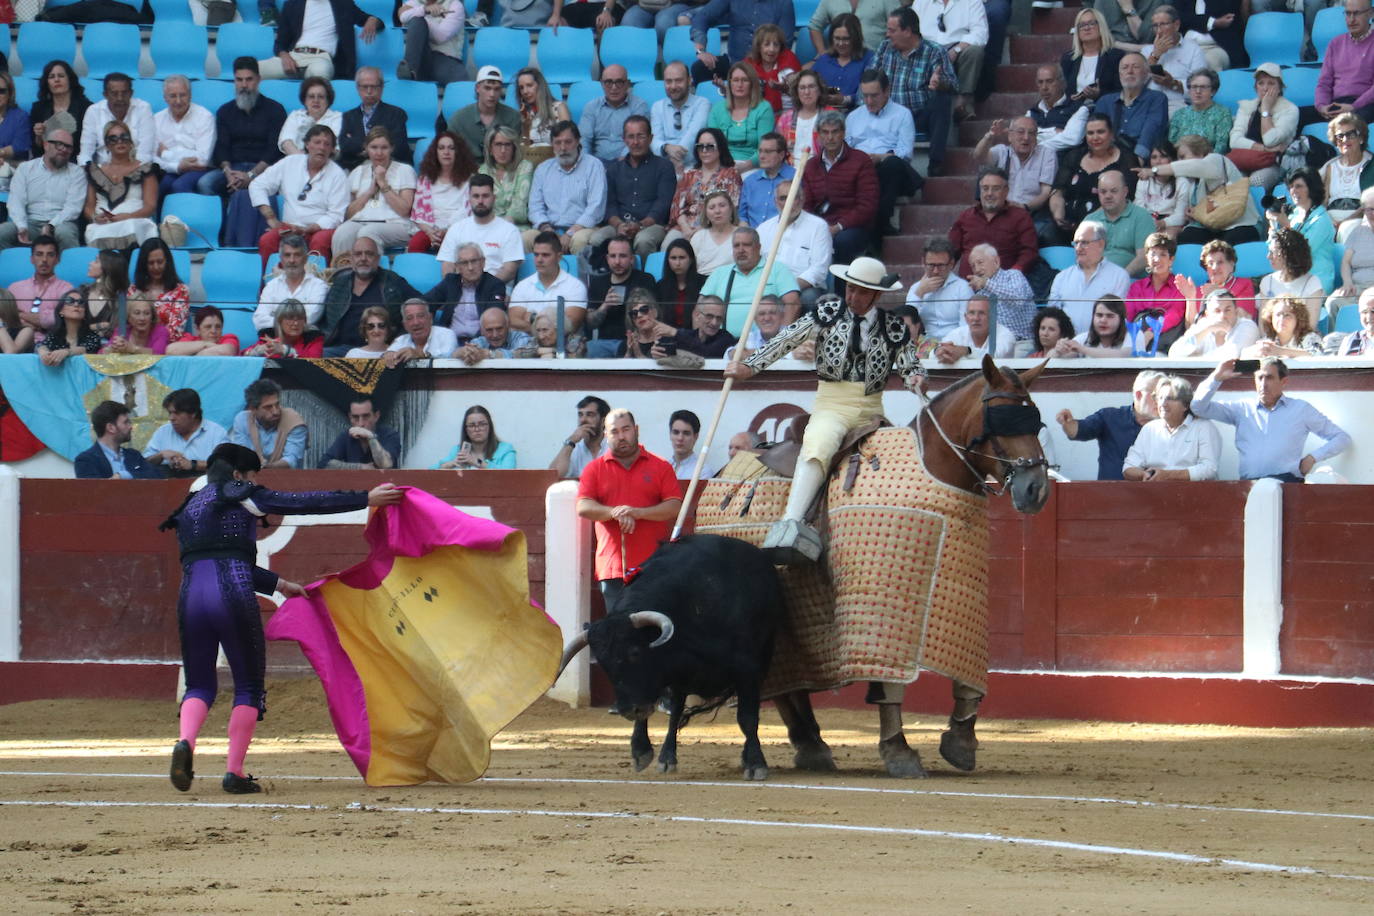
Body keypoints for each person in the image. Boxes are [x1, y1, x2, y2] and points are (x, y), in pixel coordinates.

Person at [162, 442, 402, 795]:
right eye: (253, 476)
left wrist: (279, 584)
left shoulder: (189, 507)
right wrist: (365, 498)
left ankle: (186, 742)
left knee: (200, 683)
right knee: (247, 686)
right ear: (240, 474)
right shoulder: (242, 493)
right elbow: (304, 503)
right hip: (232, 595)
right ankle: (235, 772)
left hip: (191, 597)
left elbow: (213, 558)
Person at [725, 256, 924, 563]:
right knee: (820, 442)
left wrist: (916, 378)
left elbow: (910, 363)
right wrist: (750, 367)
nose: (853, 296)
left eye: (861, 292)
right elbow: (786, 340)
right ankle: (791, 523)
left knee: (900, 456)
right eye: (850, 288)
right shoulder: (826, 313)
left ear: (877, 295)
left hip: (873, 411)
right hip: (833, 405)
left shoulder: (894, 326)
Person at [576, 407, 682, 609]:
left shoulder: (661, 466)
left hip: (655, 566)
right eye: (614, 432)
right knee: (619, 632)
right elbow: (583, 506)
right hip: (613, 567)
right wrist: (614, 512)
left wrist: (638, 513)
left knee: (654, 630)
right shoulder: (594, 468)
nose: (621, 436)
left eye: (626, 430)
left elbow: (674, 506)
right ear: (606, 435)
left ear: (636, 430)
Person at [1193, 357, 1352, 481]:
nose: (1263, 384)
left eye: (1269, 378)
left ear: (1283, 382)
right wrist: (1216, 378)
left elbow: (1342, 438)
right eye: (1259, 378)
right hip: (1249, 485)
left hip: (1287, 483)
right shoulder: (1241, 409)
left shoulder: (1300, 409)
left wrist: (1313, 457)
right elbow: (1198, 406)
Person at [202, 59, 289, 247]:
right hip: (233, 169)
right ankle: (220, 232)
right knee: (205, 183)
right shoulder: (225, 111)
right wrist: (228, 173)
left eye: (249, 80)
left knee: (250, 190)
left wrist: (252, 175)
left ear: (258, 80)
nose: (244, 85)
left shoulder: (275, 110)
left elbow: (274, 150)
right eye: (239, 80)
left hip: (264, 169)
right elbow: (222, 147)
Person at [873, 7, 957, 176]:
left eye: (892, 30)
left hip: (919, 115)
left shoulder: (934, 51)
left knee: (942, 100)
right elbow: (870, 78)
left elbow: (953, 84)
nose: (887, 34)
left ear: (908, 31)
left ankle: (935, 164)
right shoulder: (885, 48)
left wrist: (940, 83)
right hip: (890, 114)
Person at [251, 124, 349, 264]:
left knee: (320, 241)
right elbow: (257, 185)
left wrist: (308, 229)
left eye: (327, 144)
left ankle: (316, 283)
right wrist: (270, 217)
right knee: (267, 240)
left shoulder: (338, 175)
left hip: (319, 230)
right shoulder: (290, 162)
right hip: (288, 227)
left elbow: (336, 215)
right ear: (307, 144)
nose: (321, 147)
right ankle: (266, 285)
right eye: (317, 142)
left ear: (332, 149)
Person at [1144, 133, 1261, 246]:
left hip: (1241, 225)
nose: (1180, 162)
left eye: (1183, 157)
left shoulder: (1216, 160)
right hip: (1214, 229)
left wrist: (1155, 170)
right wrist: (1194, 213)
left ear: (1200, 154)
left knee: (1231, 243)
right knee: (1187, 238)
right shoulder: (1192, 183)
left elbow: (1196, 166)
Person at [846, 69, 921, 237]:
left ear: (887, 91)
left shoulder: (902, 114)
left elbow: (905, 153)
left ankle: (881, 220)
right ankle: (876, 225)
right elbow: (846, 149)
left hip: (889, 168)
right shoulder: (853, 117)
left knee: (892, 164)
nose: (869, 101)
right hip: (859, 168)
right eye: (865, 96)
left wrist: (880, 157)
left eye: (874, 95)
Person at [588, 116, 676, 258]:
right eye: (631, 137)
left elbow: (663, 204)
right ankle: (604, 280)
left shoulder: (664, 167)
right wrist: (618, 225)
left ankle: (644, 279)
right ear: (624, 139)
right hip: (619, 224)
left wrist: (641, 225)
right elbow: (609, 204)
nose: (635, 142)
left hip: (652, 225)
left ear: (650, 138)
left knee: (643, 240)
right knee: (597, 239)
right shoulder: (614, 169)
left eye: (640, 136)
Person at [802, 110, 879, 266]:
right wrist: (817, 228)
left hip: (852, 227)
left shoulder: (861, 160)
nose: (830, 137)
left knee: (842, 242)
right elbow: (806, 204)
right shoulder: (811, 165)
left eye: (835, 132)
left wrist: (838, 227)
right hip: (819, 225)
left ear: (843, 133)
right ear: (818, 135)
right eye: (825, 132)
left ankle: (840, 290)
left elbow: (867, 205)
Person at [1055, 370, 1164, 480]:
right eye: (1156, 396)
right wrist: (1067, 422)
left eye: (1165, 396)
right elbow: (1079, 430)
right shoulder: (1110, 417)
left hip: (1155, 493)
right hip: (1111, 493)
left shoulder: (1170, 424)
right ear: (1139, 395)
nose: (1161, 401)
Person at [1047, 113, 1140, 241]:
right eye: (1090, 133)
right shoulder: (1074, 156)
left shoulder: (1126, 159)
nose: (1095, 137)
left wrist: (1086, 224)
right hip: (1067, 226)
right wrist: (1058, 215)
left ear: (1111, 134)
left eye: (1100, 132)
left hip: (1105, 227)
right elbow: (1058, 191)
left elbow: (1125, 198)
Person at [320, 237, 419, 355]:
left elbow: (421, 303)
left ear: (377, 259)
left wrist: (398, 342)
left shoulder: (392, 281)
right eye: (358, 254)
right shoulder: (340, 283)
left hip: (383, 351)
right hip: (341, 350)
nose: (363, 258)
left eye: (369, 254)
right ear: (352, 259)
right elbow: (326, 320)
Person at [331, 126, 416, 258]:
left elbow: (404, 210)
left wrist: (383, 184)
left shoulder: (404, 170)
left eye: (384, 148)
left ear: (391, 148)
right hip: (360, 221)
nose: (379, 153)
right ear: (366, 148)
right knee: (342, 233)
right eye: (374, 147)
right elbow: (348, 214)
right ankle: (342, 273)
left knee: (367, 233)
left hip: (395, 224)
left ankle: (373, 275)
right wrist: (369, 192)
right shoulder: (358, 171)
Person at [700, 226, 801, 337]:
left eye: (746, 245)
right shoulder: (719, 273)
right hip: (721, 343)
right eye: (736, 246)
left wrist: (780, 341)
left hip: (764, 345)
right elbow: (699, 310)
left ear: (758, 247)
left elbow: (793, 304)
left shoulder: (777, 269)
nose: (741, 250)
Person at [525, 121, 608, 255]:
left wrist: (570, 233)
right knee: (526, 238)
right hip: (549, 228)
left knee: (579, 240)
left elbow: (595, 208)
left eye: (568, 142)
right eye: (558, 143)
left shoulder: (593, 166)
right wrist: (547, 230)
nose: (563, 148)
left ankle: (581, 276)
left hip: (582, 228)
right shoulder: (543, 169)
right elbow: (535, 207)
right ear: (552, 144)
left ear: (578, 142)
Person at [0, 127, 85, 251]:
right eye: (59, 144)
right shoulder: (25, 169)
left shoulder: (76, 172)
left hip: (61, 223)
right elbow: (16, 202)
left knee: (65, 233)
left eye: (68, 147)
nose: (64, 149)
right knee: (2, 232)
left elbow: (73, 208)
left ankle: (69, 270)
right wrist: (22, 226)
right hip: (30, 223)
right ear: (46, 145)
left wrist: (51, 226)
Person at [1123, 376, 1221, 481]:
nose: (1163, 404)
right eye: (1160, 398)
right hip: (1155, 492)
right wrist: (1143, 474)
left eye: (1170, 398)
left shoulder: (1204, 427)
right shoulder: (1149, 429)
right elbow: (1128, 467)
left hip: (1193, 493)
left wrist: (1168, 475)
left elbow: (1209, 469)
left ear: (1185, 405)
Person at [758, 178, 833, 312]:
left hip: (803, 289)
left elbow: (818, 270)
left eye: (793, 198)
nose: (789, 203)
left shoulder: (818, 226)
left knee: (808, 298)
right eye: (783, 198)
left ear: (802, 199)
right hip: (767, 288)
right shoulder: (763, 229)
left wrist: (787, 289)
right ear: (775, 202)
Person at [260, 0, 383, 81]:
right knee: (250, 71)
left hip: (321, 59)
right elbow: (280, 42)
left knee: (319, 76)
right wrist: (284, 55)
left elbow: (370, 20)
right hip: (294, 56)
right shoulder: (293, 4)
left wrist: (373, 20)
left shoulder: (343, 4)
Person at [83, 121, 159, 250]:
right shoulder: (95, 171)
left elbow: (150, 206)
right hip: (103, 225)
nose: (120, 141)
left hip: (135, 220)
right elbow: (89, 207)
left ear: (130, 142)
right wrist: (95, 217)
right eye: (113, 139)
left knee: (131, 227)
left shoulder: (145, 168)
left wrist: (128, 216)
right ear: (106, 145)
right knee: (95, 231)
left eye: (124, 137)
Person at [951, 167, 1038, 280]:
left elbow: (1029, 252)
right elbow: (950, 251)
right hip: (968, 286)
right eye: (985, 188)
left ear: (1006, 191)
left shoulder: (1021, 217)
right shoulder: (965, 217)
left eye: (996, 189)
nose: (989, 193)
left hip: (1005, 287)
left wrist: (1013, 274)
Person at [664, 126, 742, 249]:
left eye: (710, 146)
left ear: (720, 148)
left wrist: (700, 230)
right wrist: (686, 229)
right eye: (700, 147)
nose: (704, 150)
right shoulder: (689, 175)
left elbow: (731, 207)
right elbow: (677, 209)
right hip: (684, 227)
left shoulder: (730, 175)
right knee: (668, 245)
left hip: (716, 227)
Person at [687, 0, 796, 87]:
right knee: (699, 69)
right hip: (734, 62)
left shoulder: (784, 3)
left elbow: (785, 42)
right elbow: (702, 17)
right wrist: (701, 50)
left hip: (765, 67)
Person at [973, 116, 1054, 231]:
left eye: (1031, 133)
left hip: (1031, 214)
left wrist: (1024, 207)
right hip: (1000, 212)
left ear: (1036, 137)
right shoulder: (1001, 152)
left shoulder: (1046, 154)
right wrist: (989, 136)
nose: (1026, 138)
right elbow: (979, 156)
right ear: (1010, 136)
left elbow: (1045, 193)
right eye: (1020, 132)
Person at [436, 173, 521, 283]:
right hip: (462, 290)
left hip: (496, 290)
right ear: (469, 199)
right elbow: (447, 266)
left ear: (494, 198)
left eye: (485, 196)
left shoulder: (510, 230)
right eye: (476, 196)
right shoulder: (456, 229)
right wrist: (455, 288)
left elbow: (509, 270)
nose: (480, 201)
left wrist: (485, 289)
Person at [1047, 222, 1132, 331]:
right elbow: (1051, 316)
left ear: (1101, 244)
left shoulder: (1119, 276)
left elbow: (1116, 317)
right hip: (1066, 344)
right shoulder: (1062, 277)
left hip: (1102, 345)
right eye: (1076, 243)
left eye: (1084, 243)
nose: (1078, 248)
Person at [911, 0, 987, 121]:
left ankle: (963, 99)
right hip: (927, 52)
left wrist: (956, 50)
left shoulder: (972, 2)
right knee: (913, 59)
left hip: (957, 50)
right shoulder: (920, 2)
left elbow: (981, 33)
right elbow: (912, 32)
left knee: (975, 51)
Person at [1228, 64, 1297, 192]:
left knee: (1254, 184)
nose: (1265, 88)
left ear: (1280, 87)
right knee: (1229, 183)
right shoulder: (1246, 107)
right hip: (1245, 159)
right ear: (1256, 87)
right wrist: (1264, 149)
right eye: (1261, 83)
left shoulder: (1290, 110)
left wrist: (1265, 109)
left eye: (1271, 83)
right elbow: (1234, 141)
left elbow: (1270, 139)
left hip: (1274, 164)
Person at [1267, 167, 1337, 294]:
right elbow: (1273, 250)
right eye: (1291, 186)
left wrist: (1286, 225)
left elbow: (1299, 253)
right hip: (1292, 280)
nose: (1293, 191)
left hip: (1316, 283)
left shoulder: (1322, 220)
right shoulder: (1293, 216)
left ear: (1311, 188)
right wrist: (1273, 225)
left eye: (1299, 186)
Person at [406, 131, 476, 255]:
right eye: (441, 148)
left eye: (451, 148)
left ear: (458, 153)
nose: (446, 152)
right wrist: (430, 233)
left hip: (457, 227)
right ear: (435, 152)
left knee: (452, 242)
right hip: (430, 228)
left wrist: (446, 231)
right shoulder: (425, 179)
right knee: (416, 243)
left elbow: (468, 212)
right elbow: (418, 214)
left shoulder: (470, 180)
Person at [584, 237, 656, 357]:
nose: (617, 261)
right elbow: (590, 324)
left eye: (622, 256)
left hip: (635, 341)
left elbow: (654, 316)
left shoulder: (645, 280)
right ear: (607, 259)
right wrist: (604, 306)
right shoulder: (598, 282)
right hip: (604, 343)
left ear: (631, 259)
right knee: (586, 350)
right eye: (613, 256)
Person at [427, 241, 510, 343]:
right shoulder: (450, 281)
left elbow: (495, 319)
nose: (470, 268)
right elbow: (425, 302)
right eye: (464, 263)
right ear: (457, 267)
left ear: (483, 262)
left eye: (474, 261)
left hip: (482, 342)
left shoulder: (495, 285)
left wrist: (475, 345)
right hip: (449, 341)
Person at [509, 230, 588, 333]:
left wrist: (532, 317)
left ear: (559, 257)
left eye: (545, 255)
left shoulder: (575, 286)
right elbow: (514, 322)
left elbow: (570, 325)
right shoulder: (522, 286)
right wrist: (552, 325)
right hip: (527, 346)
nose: (539, 260)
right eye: (536, 255)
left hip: (563, 347)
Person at [1094, 52, 1168, 161]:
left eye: (1136, 67)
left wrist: (1136, 161)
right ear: (1120, 75)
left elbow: (1150, 133)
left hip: (1138, 160)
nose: (1129, 71)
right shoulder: (1105, 101)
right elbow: (1096, 134)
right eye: (1125, 68)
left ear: (1146, 74)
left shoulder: (1156, 99)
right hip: (1106, 158)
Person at [143, 389, 229, 477]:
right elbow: (143, 464)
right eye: (170, 413)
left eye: (177, 413)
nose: (171, 418)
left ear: (193, 413)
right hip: (168, 486)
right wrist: (161, 455)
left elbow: (227, 465)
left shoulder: (216, 433)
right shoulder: (162, 432)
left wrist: (193, 465)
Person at [707, 63, 776, 173]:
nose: (740, 84)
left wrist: (746, 166)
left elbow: (766, 148)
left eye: (745, 80)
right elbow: (711, 144)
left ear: (752, 83)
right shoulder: (717, 109)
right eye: (735, 80)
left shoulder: (764, 108)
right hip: (721, 165)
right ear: (729, 83)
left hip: (753, 166)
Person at [1082, 169, 1154, 275]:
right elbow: (1082, 255)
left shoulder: (1142, 217)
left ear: (1125, 192)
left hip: (1132, 282)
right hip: (1095, 281)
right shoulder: (1090, 221)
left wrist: (1120, 277)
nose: (1108, 196)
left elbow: (1144, 257)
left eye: (1114, 191)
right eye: (1103, 192)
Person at [339, 67, 412, 170]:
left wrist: (361, 147)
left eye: (374, 87)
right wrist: (375, 147)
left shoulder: (396, 114)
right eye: (365, 87)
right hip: (355, 168)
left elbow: (399, 147)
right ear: (358, 88)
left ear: (382, 87)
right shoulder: (348, 116)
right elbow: (345, 146)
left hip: (389, 168)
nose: (369, 91)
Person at [1315, 0, 1374, 125]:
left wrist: (1354, 106)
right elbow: (1324, 83)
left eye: (1357, 13)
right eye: (1348, 14)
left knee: (1351, 121)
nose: (1351, 19)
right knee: (1293, 116)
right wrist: (1322, 107)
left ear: (1371, 14)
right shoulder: (1335, 44)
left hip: (1365, 105)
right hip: (1336, 105)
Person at [1139, 7, 1208, 115]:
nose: (1159, 30)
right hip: (1148, 103)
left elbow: (1200, 86)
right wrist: (1155, 56)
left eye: (1163, 24)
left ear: (1176, 25)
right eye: (1155, 26)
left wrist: (1173, 84)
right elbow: (1136, 83)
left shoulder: (1194, 50)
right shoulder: (1147, 51)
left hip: (1179, 104)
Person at [7, 235, 74, 344]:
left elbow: (59, 319)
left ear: (57, 259)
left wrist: (21, 315)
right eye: (39, 254)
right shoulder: (14, 288)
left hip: (51, 346)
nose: (44, 260)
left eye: (50, 255)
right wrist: (38, 323)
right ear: (32, 259)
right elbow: (6, 318)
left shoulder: (66, 289)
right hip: (16, 342)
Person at [78, 73, 155, 167]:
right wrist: (97, 173)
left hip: (136, 170)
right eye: (114, 94)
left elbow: (145, 154)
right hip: (102, 172)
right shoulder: (93, 112)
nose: (120, 98)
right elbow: (85, 153)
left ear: (131, 93)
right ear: (105, 95)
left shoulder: (143, 109)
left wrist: (127, 172)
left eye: (124, 93)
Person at [904, 238, 974, 341]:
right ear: (923, 262)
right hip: (926, 343)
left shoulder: (962, 288)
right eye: (931, 265)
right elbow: (907, 322)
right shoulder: (916, 288)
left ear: (951, 264)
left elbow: (966, 327)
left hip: (955, 342)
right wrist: (919, 293)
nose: (936, 271)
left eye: (941, 266)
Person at [228, 379, 308, 469]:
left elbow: (292, 459)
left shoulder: (294, 422)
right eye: (268, 407)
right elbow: (242, 454)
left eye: (277, 404)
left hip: (288, 478)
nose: (275, 412)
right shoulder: (242, 420)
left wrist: (268, 467)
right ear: (253, 409)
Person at [74, 400, 164, 479]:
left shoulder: (133, 455)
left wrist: (123, 475)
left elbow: (158, 477)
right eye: (126, 422)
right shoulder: (86, 460)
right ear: (111, 428)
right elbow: (92, 493)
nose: (131, 427)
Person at [1127, 232, 1188, 347]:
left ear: (1171, 259)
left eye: (1163, 255)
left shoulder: (1179, 286)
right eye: (1153, 254)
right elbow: (1129, 316)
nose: (1157, 259)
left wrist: (1150, 333)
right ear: (1147, 257)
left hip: (1166, 342)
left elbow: (1174, 315)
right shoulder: (1136, 287)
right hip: (1137, 338)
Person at [448, 66, 519, 165]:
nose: (492, 94)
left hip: (503, 173)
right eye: (487, 88)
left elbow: (517, 153)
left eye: (497, 89)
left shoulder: (513, 118)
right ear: (477, 88)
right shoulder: (459, 119)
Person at [256, 235, 329, 330]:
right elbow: (259, 319)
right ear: (281, 258)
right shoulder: (271, 286)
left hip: (305, 341)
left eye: (297, 255)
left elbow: (310, 318)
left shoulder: (318, 286)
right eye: (287, 255)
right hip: (273, 340)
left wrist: (275, 319)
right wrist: (293, 322)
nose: (292, 260)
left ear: (306, 258)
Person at [581, 65, 649, 165]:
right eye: (608, 82)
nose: (614, 87)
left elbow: (637, 140)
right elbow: (584, 140)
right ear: (602, 84)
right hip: (597, 163)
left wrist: (624, 162)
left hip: (629, 162)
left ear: (627, 84)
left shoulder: (639, 106)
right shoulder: (591, 107)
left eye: (619, 82)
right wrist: (588, 164)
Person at [650, 61, 712, 173]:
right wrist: (666, 147)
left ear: (689, 80)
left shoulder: (702, 104)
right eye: (668, 81)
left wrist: (676, 159)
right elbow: (654, 140)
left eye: (678, 80)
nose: (673, 86)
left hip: (693, 167)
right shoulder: (657, 107)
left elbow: (692, 137)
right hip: (662, 167)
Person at [1259, 228, 1326, 329]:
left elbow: (1310, 326)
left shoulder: (1312, 283)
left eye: (1273, 252)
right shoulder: (1267, 282)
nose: (1269, 256)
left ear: (1287, 255)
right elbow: (1263, 324)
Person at [1317, 113, 1372, 235]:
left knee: (1347, 229)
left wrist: (1344, 222)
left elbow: (1370, 204)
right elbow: (1323, 202)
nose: (1345, 140)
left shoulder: (1371, 165)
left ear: (1361, 138)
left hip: (1360, 218)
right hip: (1330, 220)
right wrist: (1329, 221)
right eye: (1340, 136)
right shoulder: (1330, 167)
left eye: (1350, 134)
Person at [808, 12, 876, 110]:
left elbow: (870, 93)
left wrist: (844, 99)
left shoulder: (869, 59)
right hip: (824, 115)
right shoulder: (824, 60)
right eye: (837, 38)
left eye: (846, 39)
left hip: (855, 115)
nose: (840, 43)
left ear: (856, 38)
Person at [1168, 288, 1261, 357]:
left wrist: (1195, 357)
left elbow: (1231, 355)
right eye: (1217, 311)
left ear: (1236, 312)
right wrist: (1206, 330)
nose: (1222, 316)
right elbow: (1174, 353)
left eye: (1227, 310)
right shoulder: (1203, 325)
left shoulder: (1247, 326)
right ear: (1207, 315)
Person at [129, 238, 190, 344]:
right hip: (134, 345)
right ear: (143, 265)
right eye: (150, 263)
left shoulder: (180, 291)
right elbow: (127, 326)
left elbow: (175, 332)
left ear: (168, 262)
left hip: (165, 347)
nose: (156, 267)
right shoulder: (133, 290)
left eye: (160, 262)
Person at [1327, 188, 1374, 320]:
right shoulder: (1357, 232)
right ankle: (1336, 340)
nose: (1371, 214)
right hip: (1357, 288)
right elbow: (1346, 262)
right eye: (1368, 209)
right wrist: (1347, 282)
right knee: (1333, 302)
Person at [1061, 7, 1123, 106]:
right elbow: (1068, 91)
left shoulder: (1115, 56)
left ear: (1101, 26)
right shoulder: (1068, 59)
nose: (1086, 28)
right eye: (1082, 25)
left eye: (1091, 23)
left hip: (1103, 110)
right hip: (1075, 110)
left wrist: (1099, 94)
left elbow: (1120, 92)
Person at [320, 397, 401, 469]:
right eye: (355, 417)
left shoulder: (390, 435)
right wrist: (360, 467)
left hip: (385, 484)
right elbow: (323, 464)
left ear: (376, 416)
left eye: (366, 416)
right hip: (354, 485)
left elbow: (386, 465)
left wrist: (371, 437)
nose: (360, 423)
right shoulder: (346, 436)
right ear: (350, 417)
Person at [397, 0, 467, 84]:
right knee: (417, 22)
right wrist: (424, 10)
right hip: (420, 59)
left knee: (463, 84)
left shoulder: (455, 5)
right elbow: (402, 17)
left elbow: (441, 36)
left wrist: (420, 14)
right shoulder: (415, 2)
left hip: (444, 58)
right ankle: (409, 71)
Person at [479, 126, 533, 233]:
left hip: (518, 228)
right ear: (490, 149)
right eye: (498, 144)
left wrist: (502, 227)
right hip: (488, 227)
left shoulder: (524, 167)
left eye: (507, 145)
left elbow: (520, 206)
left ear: (514, 148)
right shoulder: (482, 171)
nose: (503, 150)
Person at [29, 61, 91, 154]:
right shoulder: (38, 108)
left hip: (76, 161)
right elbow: (37, 148)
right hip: (47, 162)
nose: (56, 80)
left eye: (61, 76)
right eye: (51, 77)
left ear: (70, 80)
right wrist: (39, 135)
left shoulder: (86, 108)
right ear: (47, 83)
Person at [934, 292, 1015, 363]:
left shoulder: (1005, 335)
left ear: (992, 317)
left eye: (981, 313)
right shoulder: (957, 333)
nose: (976, 318)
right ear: (965, 317)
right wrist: (940, 351)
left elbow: (994, 356)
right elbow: (933, 354)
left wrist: (966, 350)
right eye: (972, 313)